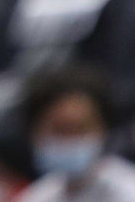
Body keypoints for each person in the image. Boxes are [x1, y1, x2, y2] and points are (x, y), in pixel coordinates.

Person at [18, 67, 135, 202]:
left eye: (81, 129)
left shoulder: (130, 192)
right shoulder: (35, 196)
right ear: (34, 132)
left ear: (104, 129)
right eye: (59, 129)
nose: (69, 140)